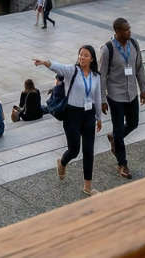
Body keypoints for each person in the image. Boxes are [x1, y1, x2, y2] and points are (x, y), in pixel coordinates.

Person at [35, 46, 104, 196]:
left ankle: (87, 186)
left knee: (89, 150)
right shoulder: (72, 71)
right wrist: (45, 62)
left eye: (85, 55)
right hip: (72, 114)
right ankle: (63, 162)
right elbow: (57, 67)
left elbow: (97, 97)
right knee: (74, 150)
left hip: (89, 114)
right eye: (80, 55)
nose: (82, 58)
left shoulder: (96, 76)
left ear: (92, 58)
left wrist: (99, 117)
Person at [98, 17, 145, 179]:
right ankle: (122, 163)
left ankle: (114, 137)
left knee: (134, 123)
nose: (129, 31)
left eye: (129, 28)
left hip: (132, 92)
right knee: (119, 129)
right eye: (126, 29)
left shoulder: (134, 44)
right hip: (115, 96)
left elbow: (139, 67)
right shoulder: (107, 50)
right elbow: (102, 76)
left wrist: (143, 89)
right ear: (117, 31)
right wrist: (103, 99)